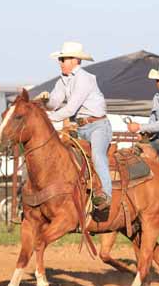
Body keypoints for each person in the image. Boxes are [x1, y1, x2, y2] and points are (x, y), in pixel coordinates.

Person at [38, 41, 113, 208]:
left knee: (97, 155)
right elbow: (55, 103)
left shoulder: (85, 79)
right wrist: (46, 101)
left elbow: (71, 108)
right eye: (60, 59)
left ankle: (106, 194)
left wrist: (47, 119)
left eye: (63, 59)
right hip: (80, 127)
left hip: (98, 126)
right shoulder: (62, 81)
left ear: (75, 60)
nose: (60, 62)